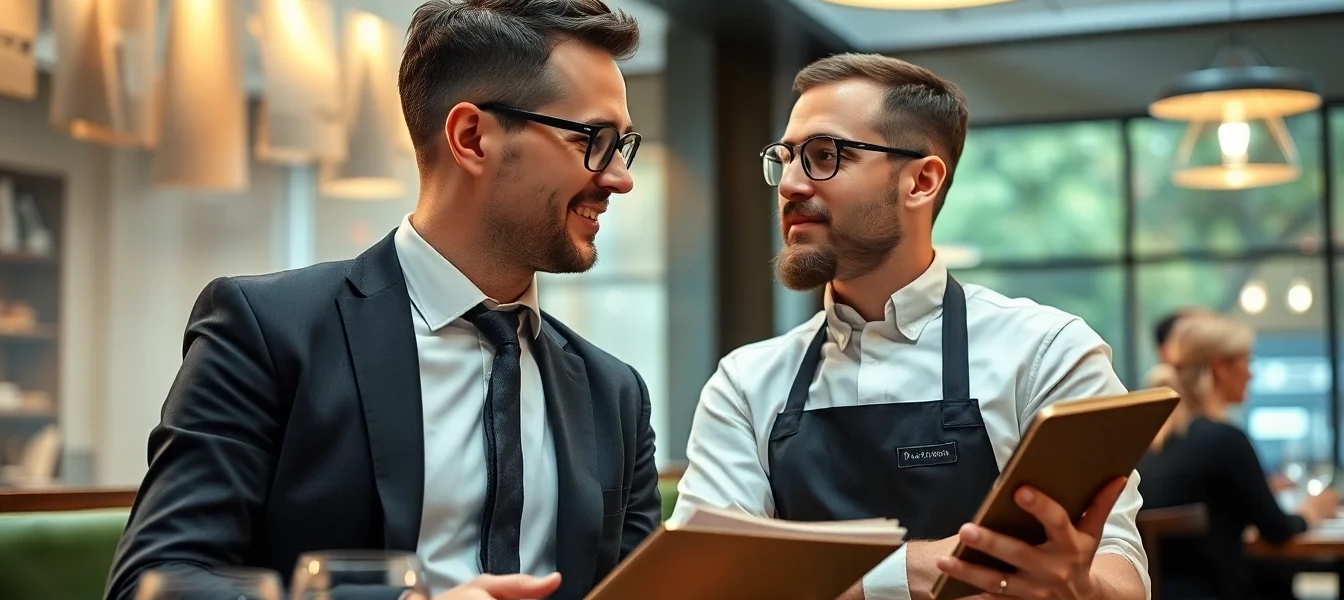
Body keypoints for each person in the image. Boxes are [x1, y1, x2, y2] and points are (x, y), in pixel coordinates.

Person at [104, 2, 660, 600]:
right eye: (595, 141)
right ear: (471, 137)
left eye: (621, 144)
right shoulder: (265, 333)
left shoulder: (616, 394)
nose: (620, 178)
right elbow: (156, 583)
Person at [668, 53, 1148, 600]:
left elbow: (1120, 570)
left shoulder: (1049, 353)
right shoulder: (745, 382)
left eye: (824, 156)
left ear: (921, 180)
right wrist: (944, 565)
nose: (790, 185)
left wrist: (1081, 590)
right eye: (786, 159)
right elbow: (708, 582)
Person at [1137, 314, 1337, 600]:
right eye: (1246, 361)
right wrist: (1311, 512)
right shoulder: (1224, 439)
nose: (1251, 374)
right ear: (1220, 368)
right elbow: (1277, 531)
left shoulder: (1147, 439)